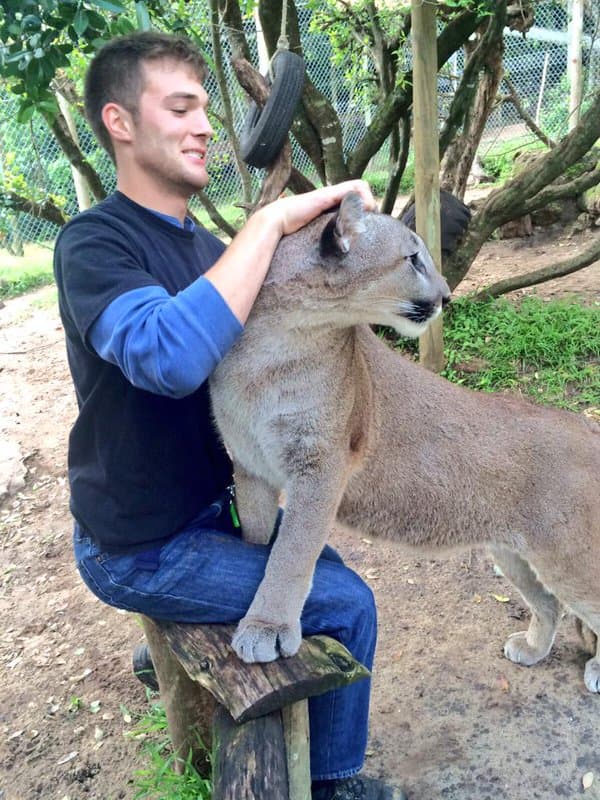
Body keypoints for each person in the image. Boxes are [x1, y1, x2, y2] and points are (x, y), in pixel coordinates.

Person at [54, 31, 404, 800]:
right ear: (120, 122)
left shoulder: (204, 245)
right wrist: (269, 224)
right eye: (181, 107)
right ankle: (335, 785)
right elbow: (168, 357)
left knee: (326, 567)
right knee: (347, 606)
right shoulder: (94, 244)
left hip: (211, 510)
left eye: (207, 108)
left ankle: (194, 642)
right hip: (142, 546)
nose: (205, 125)